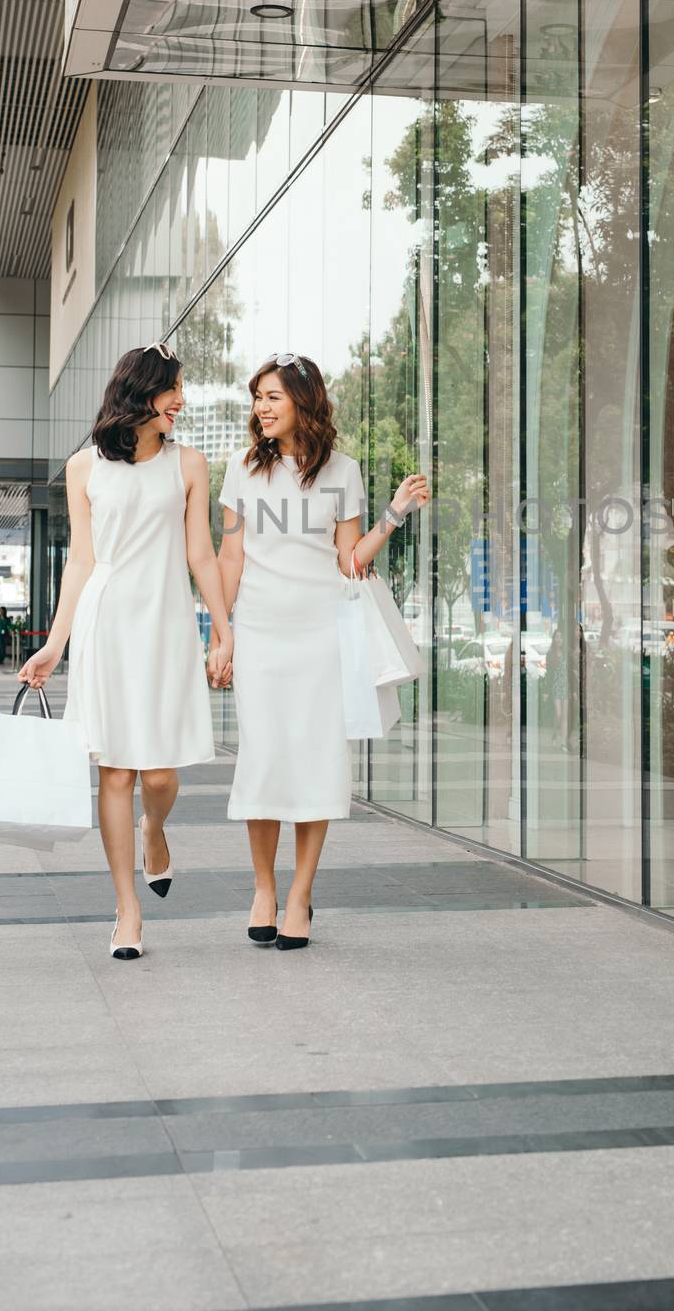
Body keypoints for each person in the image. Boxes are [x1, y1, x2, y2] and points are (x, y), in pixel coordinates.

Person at [19, 342, 234, 960]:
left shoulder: (188, 464)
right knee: (114, 770)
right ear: (141, 392)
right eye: (173, 391)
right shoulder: (84, 466)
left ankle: (155, 829)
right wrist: (55, 645)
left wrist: (223, 629)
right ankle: (126, 908)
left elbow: (200, 554)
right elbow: (81, 561)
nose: (181, 401)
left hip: (165, 620)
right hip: (105, 622)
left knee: (161, 774)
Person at [217, 352, 428, 951]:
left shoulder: (343, 471)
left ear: (303, 402)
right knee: (261, 758)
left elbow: (348, 562)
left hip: (320, 634)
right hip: (259, 629)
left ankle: (301, 895)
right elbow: (231, 556)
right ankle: (263, 888)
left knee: (314, 763)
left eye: (273, 397)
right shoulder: (240, 469)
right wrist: (222, 633)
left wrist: (392, 516)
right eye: (257, 397)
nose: (261, 408)